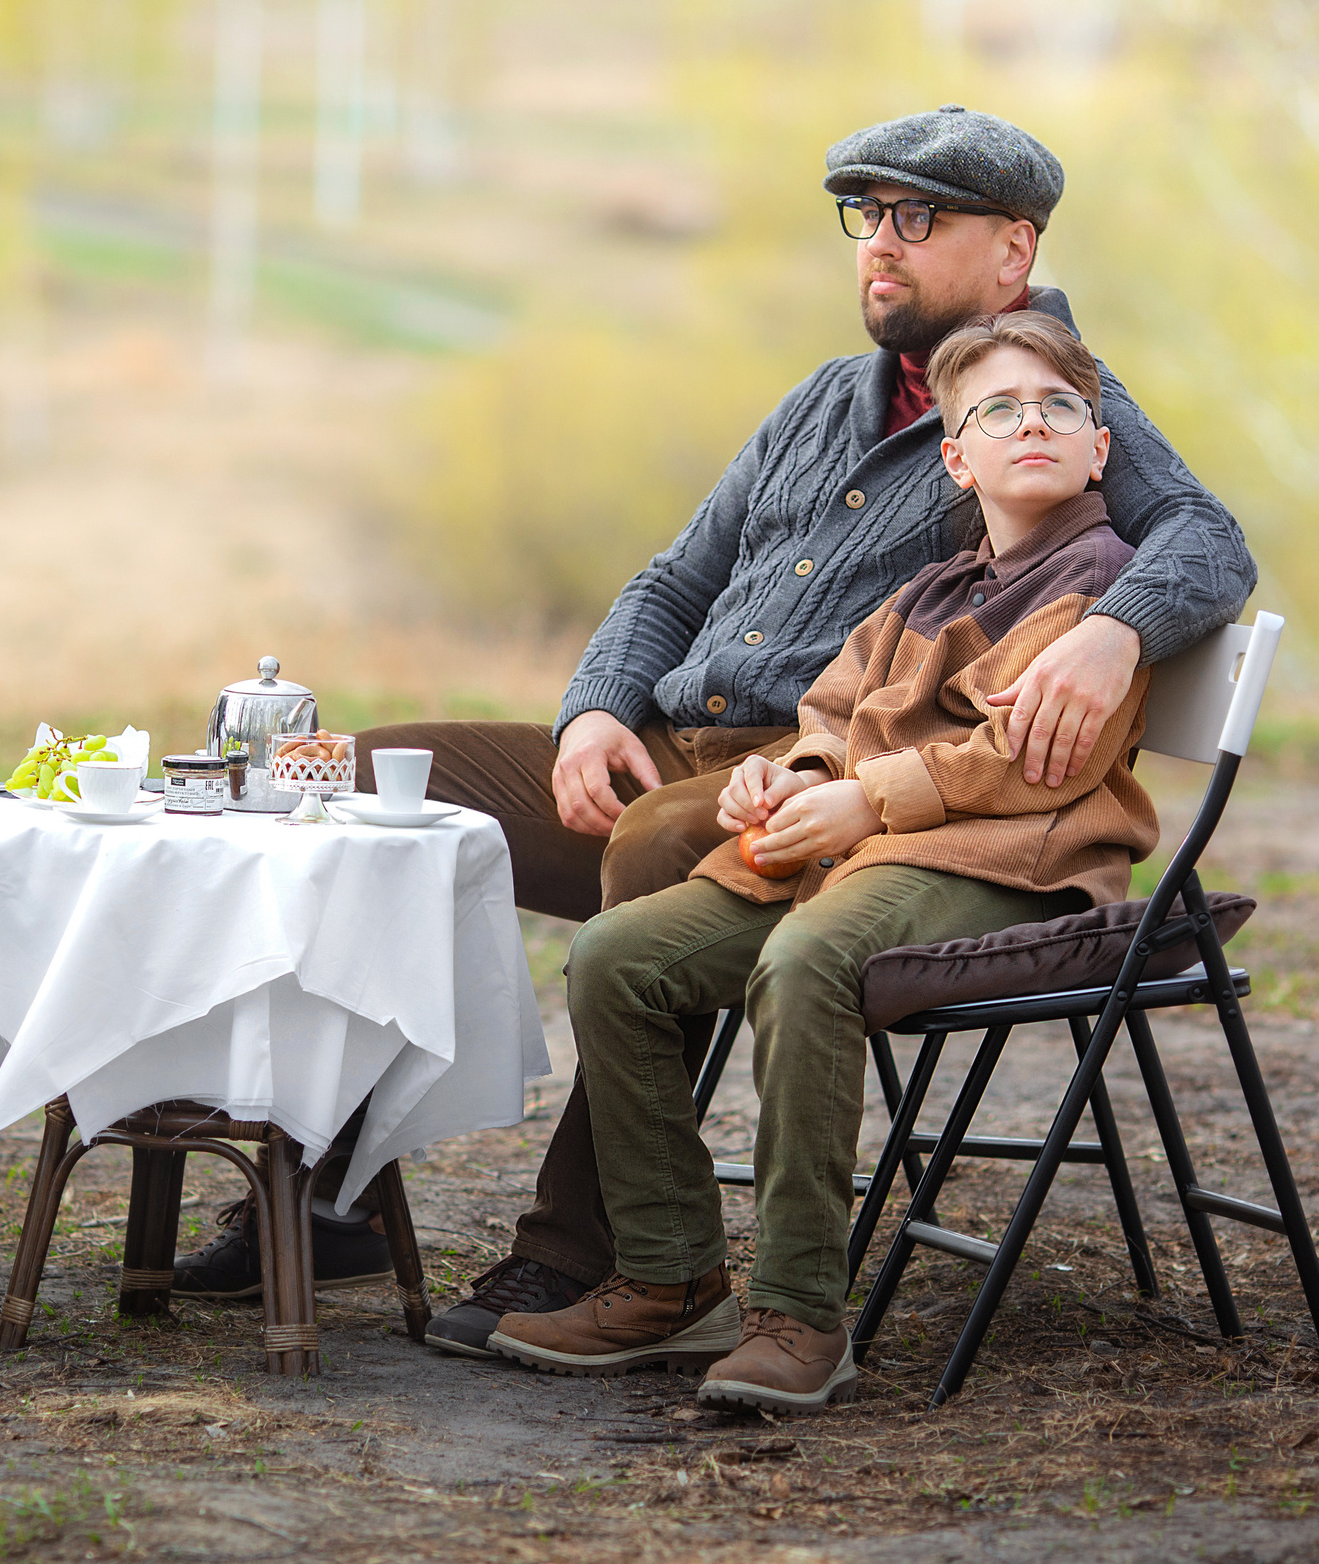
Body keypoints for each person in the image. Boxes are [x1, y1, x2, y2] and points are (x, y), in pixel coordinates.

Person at [168, 106, 1254, 1348]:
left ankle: (584, 1256)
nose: (878, 246)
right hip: (665, 741)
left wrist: (1115, 628)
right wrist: (591, 713)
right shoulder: (816, 402)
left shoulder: (1039, 404)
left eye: (917, 218)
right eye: (865, 216)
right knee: (355, 783)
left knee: (655, 856)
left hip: (799, 785)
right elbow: (673, 580)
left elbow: (1209, 539)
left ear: (1014, 251)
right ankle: (325, 1194)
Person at [483, 310, 1156, 1411]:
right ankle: (666, 1279)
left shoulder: (1100, 595)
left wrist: (865, 799)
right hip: (864, 854)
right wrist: (792, 771)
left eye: (1059, 407)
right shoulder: (932, 589)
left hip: (1003, 869)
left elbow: (1024, 764)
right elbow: (835, 708)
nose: (1031, 422)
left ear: (1097, 448)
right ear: (956, 457)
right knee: (617, 957)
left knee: (806, 964)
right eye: (997, 409)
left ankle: (798, 1313)